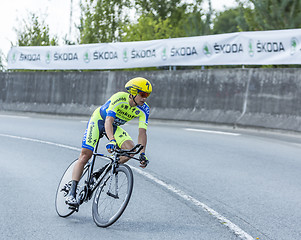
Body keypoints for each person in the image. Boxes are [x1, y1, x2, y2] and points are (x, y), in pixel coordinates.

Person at [65, 77, 152, 207]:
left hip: (115, 127)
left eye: (148, 95)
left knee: (132, 150)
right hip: (99, 121)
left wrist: (142, 153)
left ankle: (100, 173)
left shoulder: (144, 109)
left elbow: (142, 133)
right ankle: (71, 193)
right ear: (133, 92)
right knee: (85, 155)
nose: (145, 98)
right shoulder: (119, 98)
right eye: (143, 94)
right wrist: (111, 140)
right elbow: (108, 121)